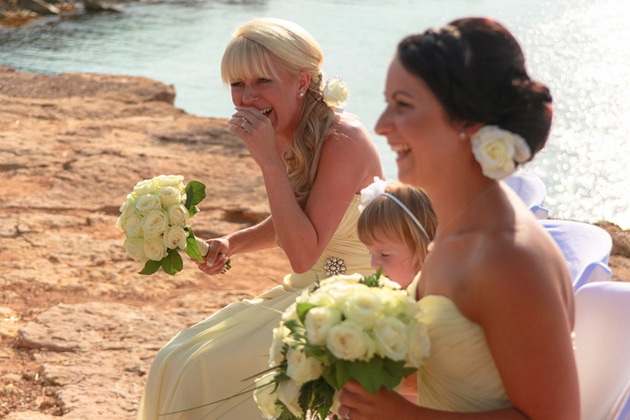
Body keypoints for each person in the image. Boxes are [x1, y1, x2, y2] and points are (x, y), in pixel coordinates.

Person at [136, 18, 383, 420]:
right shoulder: (288, 128)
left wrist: (269, 160)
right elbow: (299, 220)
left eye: (262, 82)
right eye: (237, 85)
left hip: (352, 301)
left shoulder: (344, 139)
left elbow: (303, 252)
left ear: (301, 82)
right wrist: (233, 243)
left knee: (204, 369)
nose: (247, 97)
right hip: (306, 290)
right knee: (175, 357)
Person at [338, 17, 580, 419]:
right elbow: (461, 369)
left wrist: (401, 415)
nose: (380, 125)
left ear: (467, 122)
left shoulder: (508, 258)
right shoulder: (455, 227)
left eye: (403, 105)